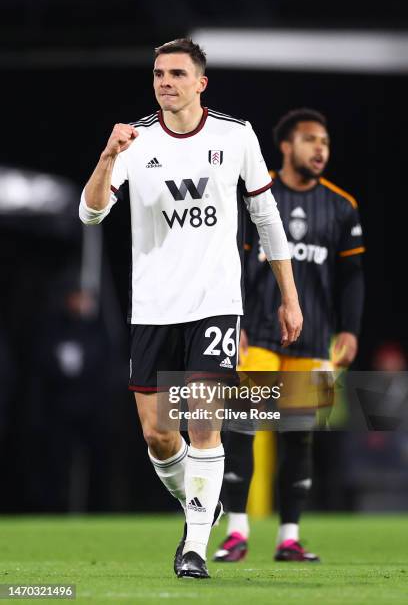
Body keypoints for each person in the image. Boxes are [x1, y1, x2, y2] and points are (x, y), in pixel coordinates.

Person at [79, 39, 303, 579]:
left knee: (204, 420)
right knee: (158, 434)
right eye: (158, 73)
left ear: (200, 83)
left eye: (177, 73)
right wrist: (109, 154)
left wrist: (289, 297)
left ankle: (195, 547)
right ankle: (203, 505)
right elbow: (90, 214)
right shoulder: (136, 140)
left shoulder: (235, 135)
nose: (165, 82)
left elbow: (268, 219)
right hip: (153, 306)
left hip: (215, 302)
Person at [214, 108, 365, 563]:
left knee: (299, 436)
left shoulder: (341, 206)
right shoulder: (255, 199)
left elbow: (353, 275)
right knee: (241, 429)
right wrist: (233, 322)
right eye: (310, 140)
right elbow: (232, 265)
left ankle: (289, 538)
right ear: (285, 146)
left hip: (315, 339)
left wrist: (351, 330)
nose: (320, 149)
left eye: (325, 142)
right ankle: (236, 532)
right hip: (257, 334)